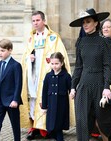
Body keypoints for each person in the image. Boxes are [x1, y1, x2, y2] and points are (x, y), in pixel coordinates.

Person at [69, 8, 111, 141]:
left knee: (104, 122)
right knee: (82, 122)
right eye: (83, 22)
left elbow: (108, 65)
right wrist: (73, 86)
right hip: (83, 86)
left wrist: (107, 86)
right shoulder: (81, 42)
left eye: (88, 21)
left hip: (100, 86)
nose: (85, 24)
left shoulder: (104, 41)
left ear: (96, 23)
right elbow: (78, 67)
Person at [20, 10, 75, 140]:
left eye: (38, 20)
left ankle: (48, 127)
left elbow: (60, 56)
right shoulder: (31, 37)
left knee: (48, 99)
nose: (35, 23)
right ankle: (35, 127)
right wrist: (29, 58)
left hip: (48, 74)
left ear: (44, 21)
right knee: (33, 98)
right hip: (34, 73)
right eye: (33, 21)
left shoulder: (53, 37)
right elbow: (25, 55)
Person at [41, 52, 72, 141]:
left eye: (57, 64)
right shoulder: (48, 76)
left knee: (58, 127)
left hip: (61, 106)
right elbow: (44, 92)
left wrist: (73, 94)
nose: (54, 66)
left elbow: (71, 89)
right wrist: (44, 107)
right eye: (52, 64)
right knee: (50, 128)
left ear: (62, 63)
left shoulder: (66, 76)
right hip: (51, 106)